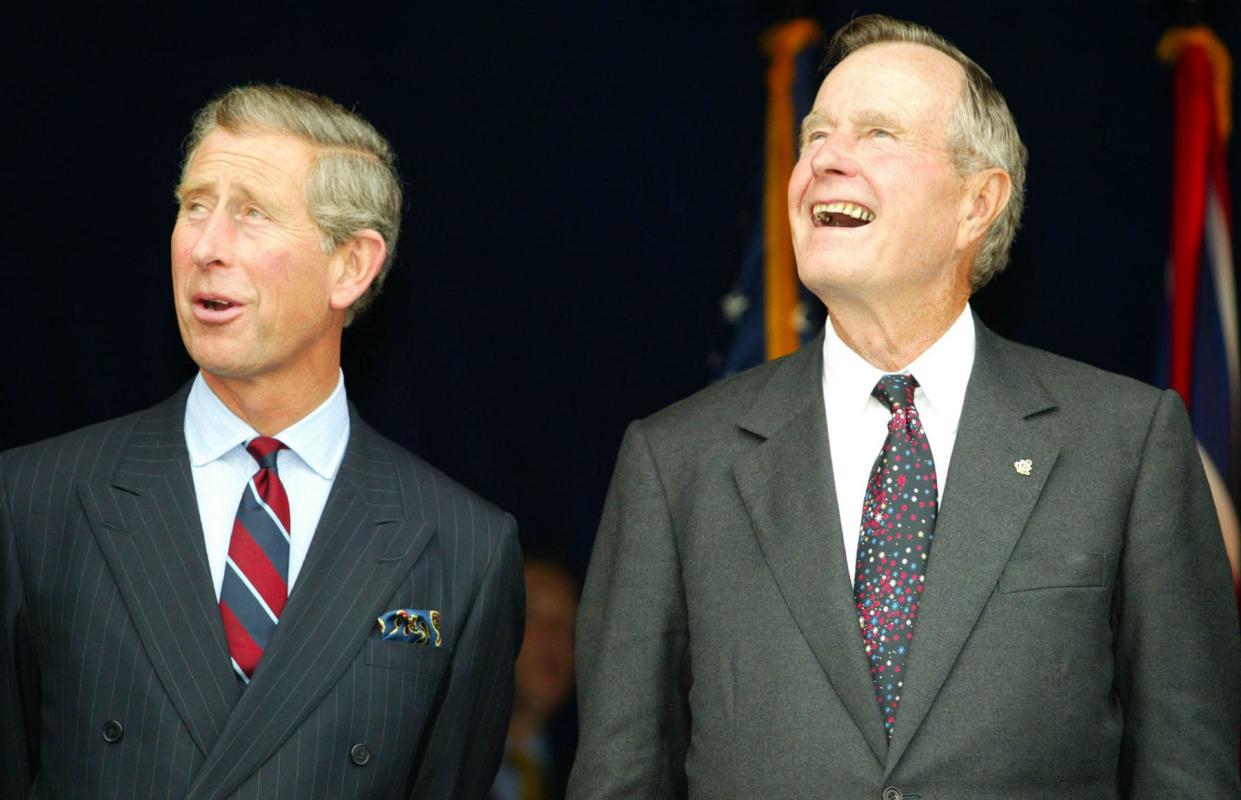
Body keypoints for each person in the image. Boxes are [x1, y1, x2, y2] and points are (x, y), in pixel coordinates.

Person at [567, 14, 1241, 800]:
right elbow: (618, 777)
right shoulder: (675, 462)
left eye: (876, 133)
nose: (823, 160)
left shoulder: (1123, 446)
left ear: (975, 203)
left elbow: (1188, 774)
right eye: (815, 135)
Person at [0, 84, 523, 799]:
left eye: (251, 213)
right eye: (194, 206)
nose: (208, 246)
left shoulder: (463, 548)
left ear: (351, 266)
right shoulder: (34, 500)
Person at [492, 556, 579, 800]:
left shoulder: (594, 774)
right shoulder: (424, 767)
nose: (555, 635)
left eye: (570, 623)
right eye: (532, 614)